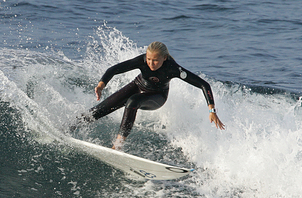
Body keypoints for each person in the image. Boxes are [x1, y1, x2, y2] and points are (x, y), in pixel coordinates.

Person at [71, 41, 225, 149]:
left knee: (133, 101)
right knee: (98, 110)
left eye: (155, 61)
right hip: (137, 85)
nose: (151, 64)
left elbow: (204, 85)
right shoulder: (142, 60)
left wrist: (212, 111)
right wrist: (101, 85)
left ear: (164, 58)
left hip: (157, 96)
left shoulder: (173, 69)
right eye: (149, 59)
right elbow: (116, 68)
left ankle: (117, 145)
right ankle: (67, 129)